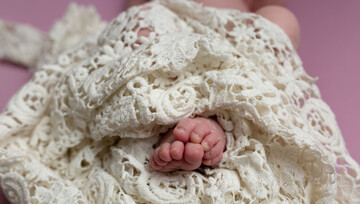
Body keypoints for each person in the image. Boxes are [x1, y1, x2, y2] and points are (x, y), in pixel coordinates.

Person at [126, 0, 301, 172]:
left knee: (281, 18)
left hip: (233, 44)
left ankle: (216, 121)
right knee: (144, 16)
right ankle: (170, 122)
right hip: (172, 39)